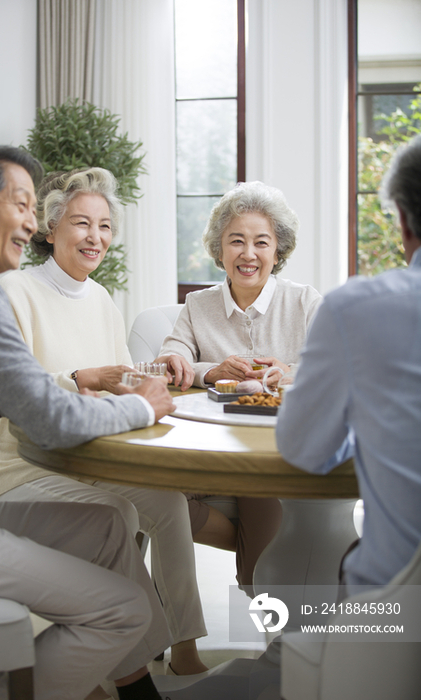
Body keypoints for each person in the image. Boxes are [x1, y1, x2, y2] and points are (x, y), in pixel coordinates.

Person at [0, 145, 176, 700]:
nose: (33, 223)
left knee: (106, 525)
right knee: (121, 610)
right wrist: (144, 406)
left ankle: (135, 687)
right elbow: (47, 417)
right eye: (22, 205)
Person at [0, 167, 208, 675]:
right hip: (23, 464)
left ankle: (184, 650)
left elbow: (118, 381)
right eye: (81, 224)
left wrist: (169, 372)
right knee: (117, 513)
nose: (95, 237)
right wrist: (79, 375)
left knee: (169, 503)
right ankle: (127, 667)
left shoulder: (102, 299)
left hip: (85, 455)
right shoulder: (13, 291)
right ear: (50, 230)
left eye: (105, 226)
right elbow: (15, 393)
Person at [156, 181, 322, 587]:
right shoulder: (198, 304)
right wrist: (210, 371)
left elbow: (337, 369)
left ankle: (260, 582)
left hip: (272, 455)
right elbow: (171, 357)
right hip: (207, 450)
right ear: (219, 250)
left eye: (261, 242)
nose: (248, 254)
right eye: (236, 241)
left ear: (277, 250)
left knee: (255, 581)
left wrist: (289, 373)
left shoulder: (305, 303)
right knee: (157, 497)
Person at [275, 134, 421, 596]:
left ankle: (295, 656)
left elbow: (305, 449)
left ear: (401, 219)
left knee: (301, 628)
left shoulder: (356, 309)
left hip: (394, 619)